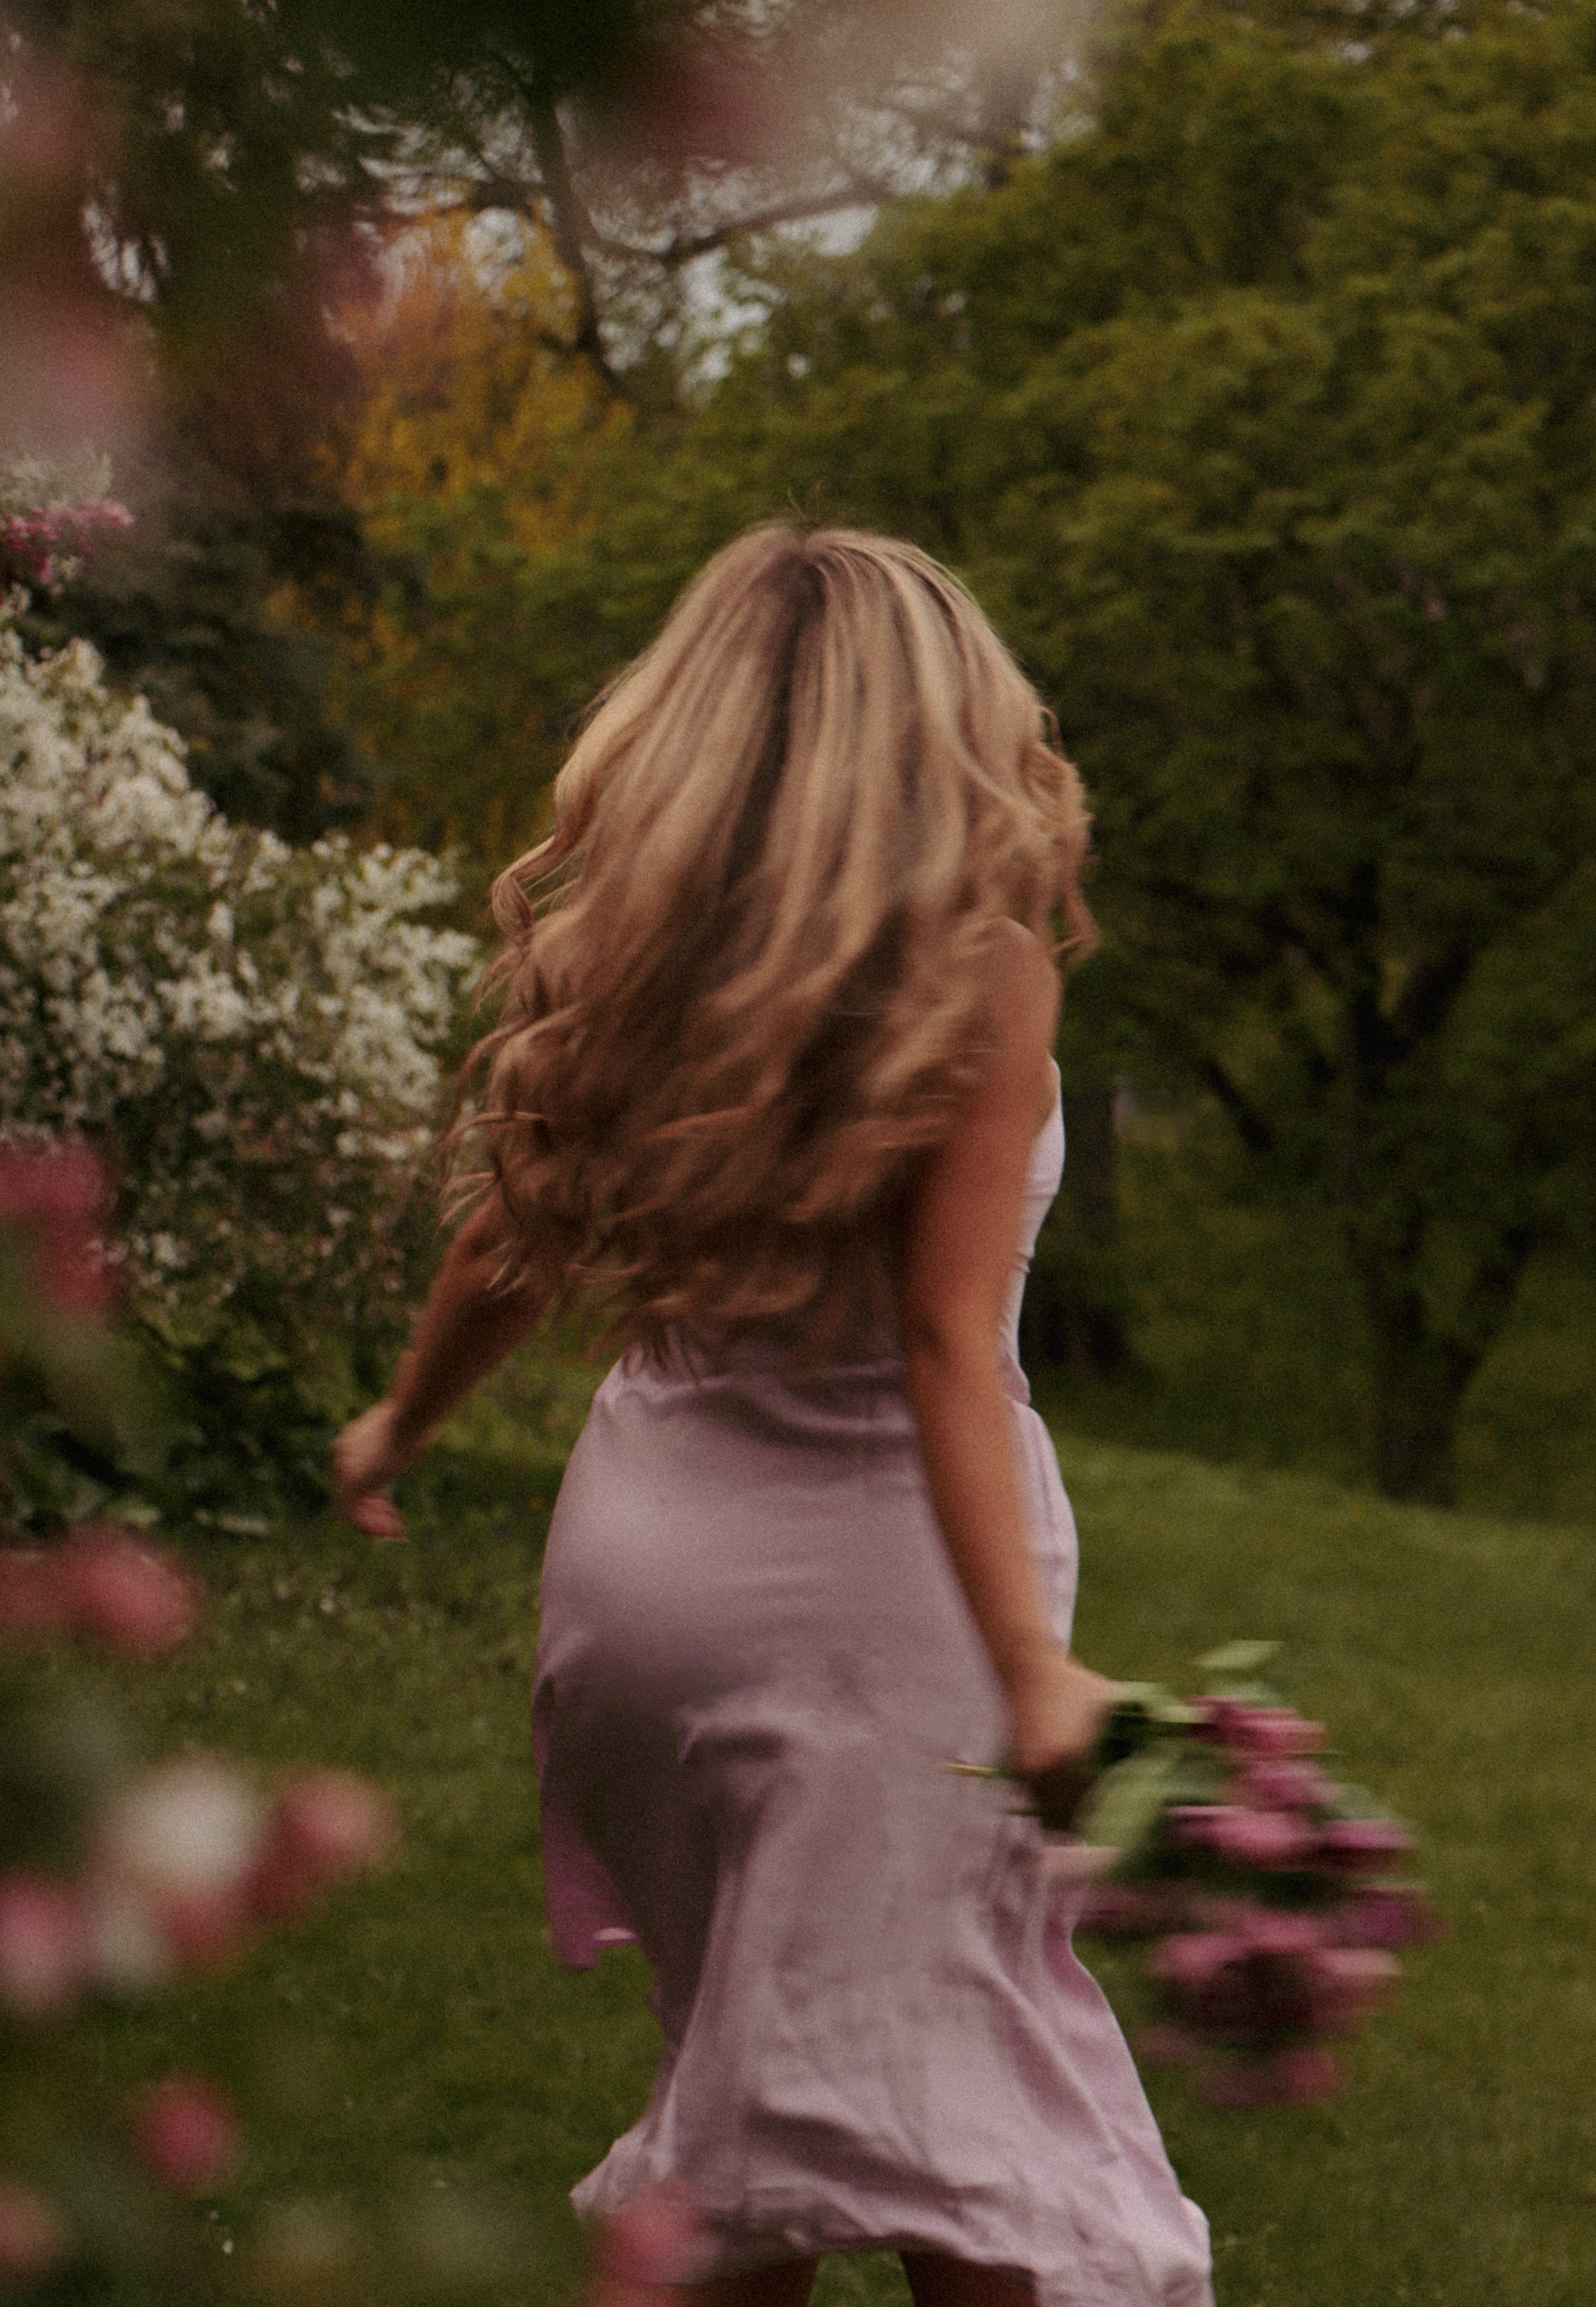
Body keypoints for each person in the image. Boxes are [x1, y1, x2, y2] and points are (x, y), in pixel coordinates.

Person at [332, 529, 1214, 2307]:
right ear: (944, 722)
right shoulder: (980, 976)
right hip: (874, 1622)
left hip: (638, 1602)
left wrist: (397, 1426)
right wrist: (1034, 1669)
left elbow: (508, 1241)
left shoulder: (635, 956)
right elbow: (948, 1350)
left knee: (755, 2090)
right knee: (965, 2128)